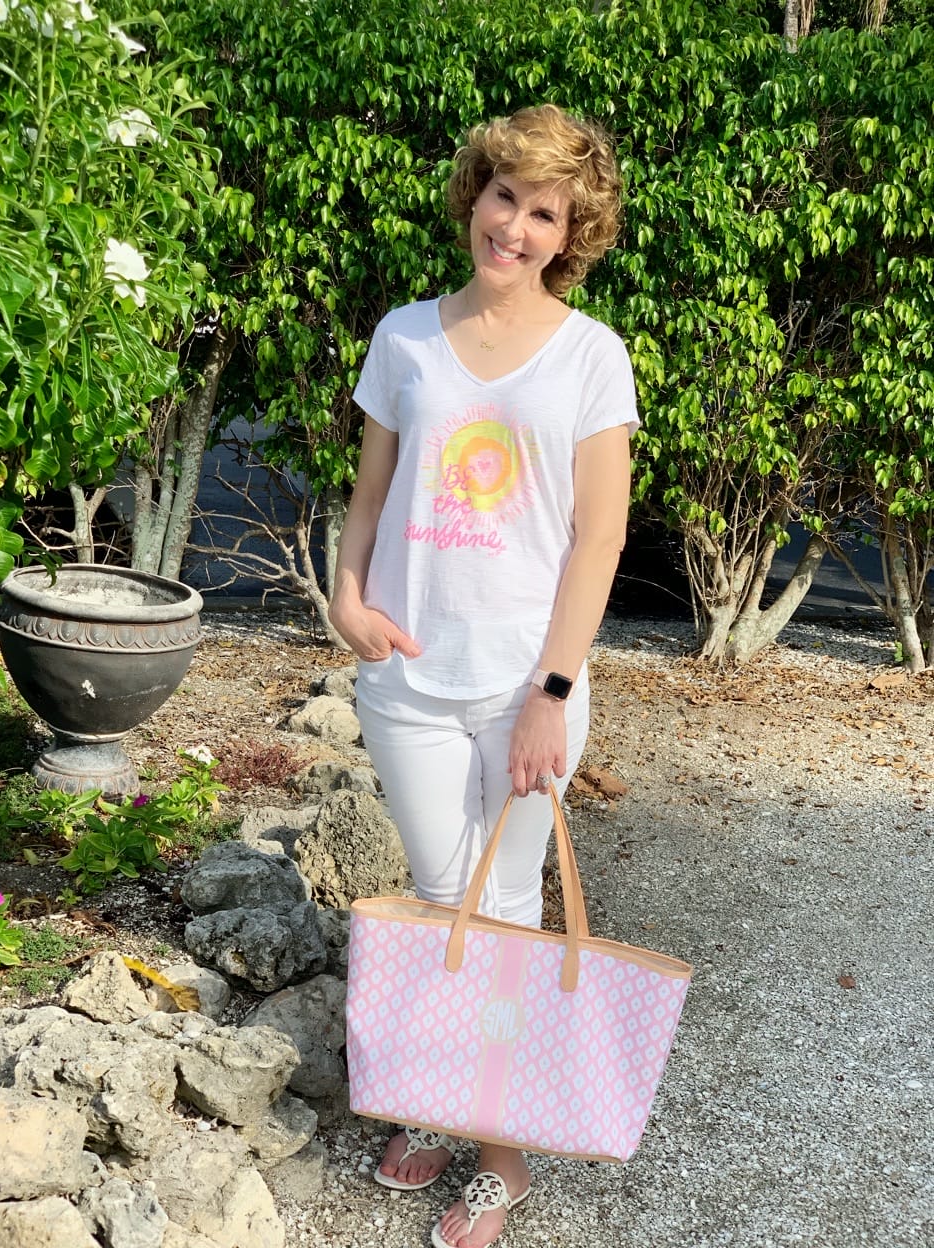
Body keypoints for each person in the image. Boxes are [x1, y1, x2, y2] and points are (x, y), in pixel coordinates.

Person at [329, 103, 639, 1248]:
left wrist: (553, 694)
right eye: (504, 195)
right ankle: (438, 1099)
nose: (514, 225)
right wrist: (346, 595)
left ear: (572, 232)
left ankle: (499, 1153)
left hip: (526, 686)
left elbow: (598, 539)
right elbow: (371, 494)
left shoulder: (591, 356)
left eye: (543, 210)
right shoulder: (404, 335)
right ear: (478, 194)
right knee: (431, 901)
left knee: (504, 914)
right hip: (408, 675)